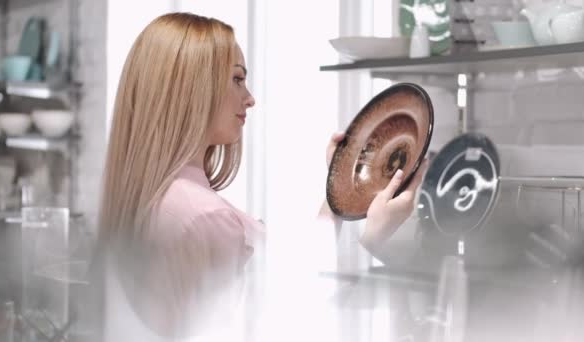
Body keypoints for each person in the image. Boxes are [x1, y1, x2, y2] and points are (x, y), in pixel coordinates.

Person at [93, 12, 427, 341]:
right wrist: (373, 240)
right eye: (237, 80)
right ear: (191, 88)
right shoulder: (207, 218)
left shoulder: (150, 200)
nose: (250, 99)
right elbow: (289, 326)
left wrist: (337, 193)